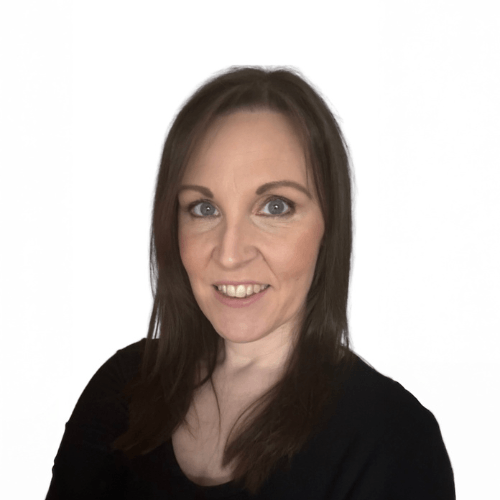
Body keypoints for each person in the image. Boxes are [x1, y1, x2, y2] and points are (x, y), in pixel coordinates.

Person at [45, 66, 455, 499]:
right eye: (204, 208)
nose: (230, 253)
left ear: (328, 225)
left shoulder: (393, 441)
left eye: (275, 207)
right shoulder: (121, 391)